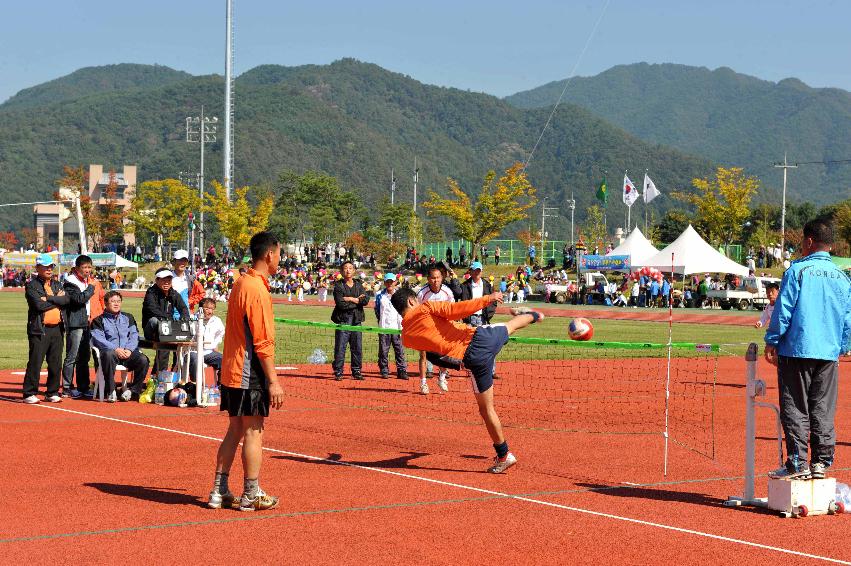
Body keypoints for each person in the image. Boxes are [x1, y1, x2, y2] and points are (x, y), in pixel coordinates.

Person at [390, 288, 544, 473]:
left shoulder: (406, 338)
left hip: (473, 360)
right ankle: (535, 315)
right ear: (411, 302)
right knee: (511, 326)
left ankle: (504, 455)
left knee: (486, 410)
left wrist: (456, 363)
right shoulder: (426, 308)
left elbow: (434, 355)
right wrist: (489, 298)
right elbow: (458, 309)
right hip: (481, 338)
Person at [764, 219, 851, 480]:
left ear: (809, 242)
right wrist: (843, 347)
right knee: (823, 408)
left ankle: (797, 462)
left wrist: (772, 340)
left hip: (797, 350)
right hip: (828, 353)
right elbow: (847, 317)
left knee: (795, 407)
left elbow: (784, 310)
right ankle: (821, 463)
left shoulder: (797, 271)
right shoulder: (842, 277)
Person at [210, 231, 284, 512]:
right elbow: (263, 340)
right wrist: (273, 381)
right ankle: (251, 493)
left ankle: (219, 491)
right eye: (279, 254)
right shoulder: (257, 289)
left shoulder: (241, 282)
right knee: (254, 430)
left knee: (235, 429)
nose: (280, 259)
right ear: (269, 255)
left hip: (232, 368)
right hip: (247, 372)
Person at [23, 254, 69, 404]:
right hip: (39, 329)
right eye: (46, 267)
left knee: (55, 362)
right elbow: (38, 305)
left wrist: (49, 298)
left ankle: (52, 392)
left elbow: (66, 300)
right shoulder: (32, 285)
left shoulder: (57, 284)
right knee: (36, 361)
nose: (49, 269)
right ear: (38, 268)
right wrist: (57, 300)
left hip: (57, 329)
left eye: (51, 266)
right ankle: (29, 393)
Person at [90, 291, 151, 402]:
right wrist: (115, 349)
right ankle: (111, 390)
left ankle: (132, 391)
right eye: (113, 301)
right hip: (110, 354)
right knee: (108, 354)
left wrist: (129, 349)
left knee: (143, 359)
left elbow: (134, 335)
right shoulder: (98, 320)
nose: (116, 304)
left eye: (118, 301)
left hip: (127, 353)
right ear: (106, 303)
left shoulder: (128, 317)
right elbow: (98, 339)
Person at [142, 268, 190, 377]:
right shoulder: (151, 293)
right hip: (151, 329)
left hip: (166, 328)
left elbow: (183, 308)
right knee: (156, 321)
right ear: (157, 280)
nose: (166, 283)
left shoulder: (173, 293)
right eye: (163, 280)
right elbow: (153, 310)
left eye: (169, 280)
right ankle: (160, 375)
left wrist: (185, 319)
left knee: (167, 339)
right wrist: (170, 322)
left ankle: (161, 375)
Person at [61, 255, 97, 399]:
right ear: (77, 268)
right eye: (85, 268)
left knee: (84, 356)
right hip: (75, 323)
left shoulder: (86, 281)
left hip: (85, 322)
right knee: (72, 356)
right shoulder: (70, 281)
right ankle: (66, 387)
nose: (87, 270)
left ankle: (83, 386)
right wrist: (90, 289)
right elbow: (78, 299)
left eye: (89, 267)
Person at [416, 266, 455, 394]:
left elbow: (453, 309)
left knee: (443, 355)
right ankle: (423, 384)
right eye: (433, 278)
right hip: (425, 328)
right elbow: (416, 311)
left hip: (442, 329)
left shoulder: (447, 292)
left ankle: (442, 378)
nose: (436, 280)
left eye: (438, 278)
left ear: (442, 278)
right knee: (423, 355)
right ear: (428, 279)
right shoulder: (422, 293)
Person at [331, 260, 368, 381]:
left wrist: (350, 299)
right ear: (341, 271)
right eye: (345, 268)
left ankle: (356, 370)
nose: (348, 270)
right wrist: (356, 300)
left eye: (350, 268)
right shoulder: (338, 286)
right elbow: (341, 304)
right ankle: (338, 371)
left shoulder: (358, 284)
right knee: (340, 346)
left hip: (357, 319)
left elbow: (365, 300)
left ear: (354, 271)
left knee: (357, 346)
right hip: (343, 319)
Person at [374, 273, 409, 380]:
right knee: (383, 351)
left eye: (391, 281)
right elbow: (377, 311)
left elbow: (404, 310)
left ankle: (401, 370)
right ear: (384, 283)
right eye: (387, 281)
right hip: (384, 328)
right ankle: (384, 370)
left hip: (397, 328)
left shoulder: (400, 295)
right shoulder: (379, 295)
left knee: (399, 350)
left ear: (395, 282)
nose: (390, 283)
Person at [189, 297, 225, 384]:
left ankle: (221, 383)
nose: (210, 311)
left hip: (208, 352)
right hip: (193, 351)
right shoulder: (192, 319)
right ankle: (195, 384)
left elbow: (220, 333)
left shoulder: (216, 321)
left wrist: (215, 344)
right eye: (207, 308)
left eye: (212, 309)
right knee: (196, 360)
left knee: (224, 359)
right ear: (200, 309)